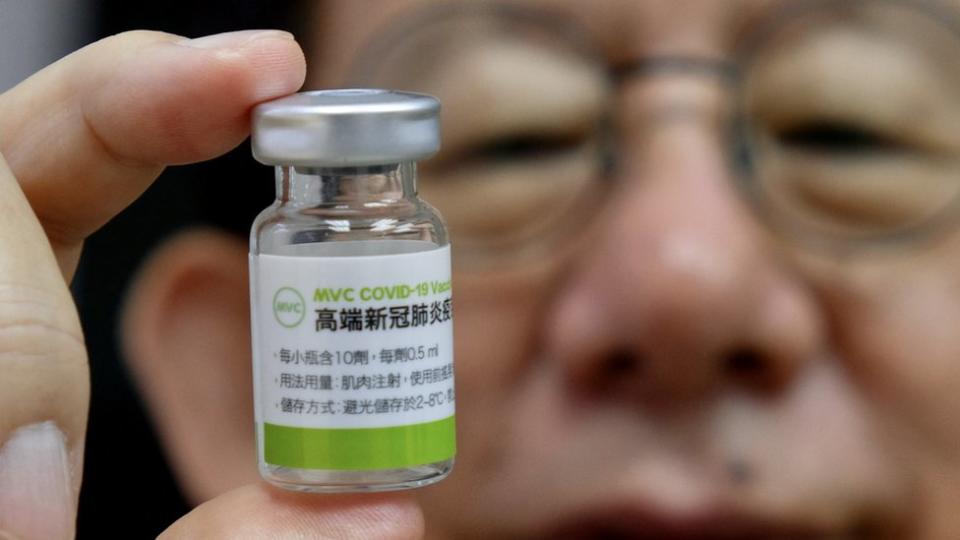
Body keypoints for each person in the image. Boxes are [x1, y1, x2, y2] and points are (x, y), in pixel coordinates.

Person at [4, 0, 960, 538]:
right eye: (518, 144)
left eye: (849, 134)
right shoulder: (303, 244)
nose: (685, 276)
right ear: (235, 388)